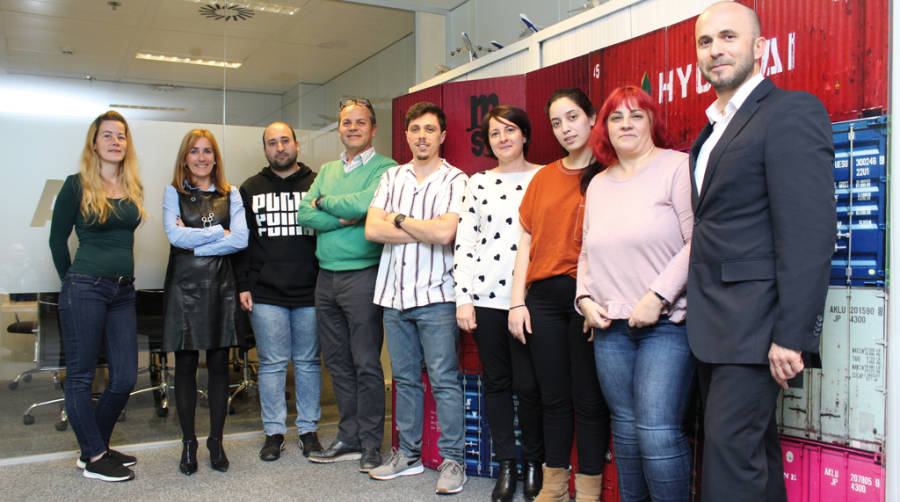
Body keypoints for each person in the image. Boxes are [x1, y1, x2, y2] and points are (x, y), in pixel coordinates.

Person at [688, 3, 835, 501]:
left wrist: (791, 336)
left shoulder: (791, 111)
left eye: (728, 37)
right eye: (705, 42)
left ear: (760, 48)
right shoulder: (709, 132)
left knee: (730, 463)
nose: (716, 49)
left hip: (757, 327)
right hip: (713, 326)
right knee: (751, 456)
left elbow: (810, 232)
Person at [577, 85, 694, 501]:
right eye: (616, 117)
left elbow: (697, 240)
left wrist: (657, 296)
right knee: (625, 429)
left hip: (666, 324)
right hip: (609, 327)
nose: (625, 124)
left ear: (651, 122)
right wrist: (584, 300)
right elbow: (587, 252)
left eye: (636, 115)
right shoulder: (598, 185)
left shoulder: (677, 167)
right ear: (605, 128)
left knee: (657, 431)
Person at [507, 88, 611, 502]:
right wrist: (517, 302)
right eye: (555, 122)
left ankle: (587, 491)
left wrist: (596, 299)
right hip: (543, 301)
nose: (565, 128)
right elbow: (526, 244)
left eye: (571, 117)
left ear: (591, 118)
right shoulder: (543, 177)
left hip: (589, 299)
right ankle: (553, 487)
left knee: (588, 400)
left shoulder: (609, 173)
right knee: (552, 398)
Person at [364, 101, 468, 495]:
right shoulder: (392, 177)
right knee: (404, 380)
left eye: (429, 129)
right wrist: (422, 227)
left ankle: (453, 460)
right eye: (415, 130)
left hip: (438, 295)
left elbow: (446, 234)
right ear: (406, 135)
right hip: (393, 295)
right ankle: (407, 454)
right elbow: (372, 230)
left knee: (444, 381)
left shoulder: (458, 180)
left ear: (442, 135)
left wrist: (400, 220)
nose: (421, 136)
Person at [297, 98, 397, 471]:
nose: (352, 128)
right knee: (337, 363)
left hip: (363, 275)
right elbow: (304, 212)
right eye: (345, 122)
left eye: (360, 122)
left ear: (373, 129)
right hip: (326, 277)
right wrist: (337, 218)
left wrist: (328, 205)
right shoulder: (325, 170)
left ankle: (371, 442)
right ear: (339, 128)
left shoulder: (386, 169)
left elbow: (363, 204)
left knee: (367, 363)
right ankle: (349, 436)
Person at [453, 105, 544, 502]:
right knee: (497, 383)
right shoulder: (478, 183)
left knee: (530, 385)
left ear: (524, 134)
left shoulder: (545, 176)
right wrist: (464, 299)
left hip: (530, 299)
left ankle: (535, 463)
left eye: (510, 130)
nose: (503, 138)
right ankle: (506, 464)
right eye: (495, 133)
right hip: (487, 298)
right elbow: (467, 242)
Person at [49, 110, 146, 482]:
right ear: (94, 143)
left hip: (122, 290)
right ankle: (93, 454)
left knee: (124, 377)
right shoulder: (76, 185)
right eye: (107, 135)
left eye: (121, 136)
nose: (115, 141)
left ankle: (95, 447)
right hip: (84, 287)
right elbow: (58, 240)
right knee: (80, 376)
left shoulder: (132, 186)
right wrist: (70, 283)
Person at [162, 129, 249, 475]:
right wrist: (217, 234)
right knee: (184, 367)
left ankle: (215, 440)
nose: (201, 158)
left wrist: (194, 243)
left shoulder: (233, 194)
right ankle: (188, 443)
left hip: (220, 286)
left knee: (218, 367)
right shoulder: (173, 192)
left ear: (215, 158)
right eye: (194, 152)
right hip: (184, 287)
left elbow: (241, 239)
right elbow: (173, 234)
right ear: (185, 158)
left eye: (207, 152)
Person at [236, 122, 323, 462]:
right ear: (265, 150)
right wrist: (243, 283)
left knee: (307, 363)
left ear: (296, 144)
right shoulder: (250, 188)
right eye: (272, 143)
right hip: (265, 292)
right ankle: (273, 432)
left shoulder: (318, 184)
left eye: (285, 140)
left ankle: (308, 430)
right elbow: (242, 243)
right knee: (272, 364)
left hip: (311, 289)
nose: (280, 147)